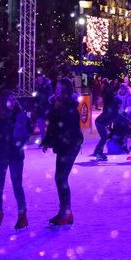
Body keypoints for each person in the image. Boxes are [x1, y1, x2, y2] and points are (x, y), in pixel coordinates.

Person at [41, 78, 83, 227]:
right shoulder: (56, 104)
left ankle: (66, 213)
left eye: (60, 88)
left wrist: (55, 140)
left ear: (67, 90)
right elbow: (53, 126)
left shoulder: (70, 107)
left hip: (71, 144)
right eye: (56, 87)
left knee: (61, 178)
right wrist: (47, 140)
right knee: (60, 178)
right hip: (64, 144)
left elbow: (67, 129)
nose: (57, 90)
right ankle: (65, 212)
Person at [0, 90, 29, 231]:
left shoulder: (19, 114)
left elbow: (26, 132)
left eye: (13, 99)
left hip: (15, 154)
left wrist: (20, 142)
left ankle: (22, 215)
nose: (11, 102)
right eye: (8, 99)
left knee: (17, 186)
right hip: (0, 154)